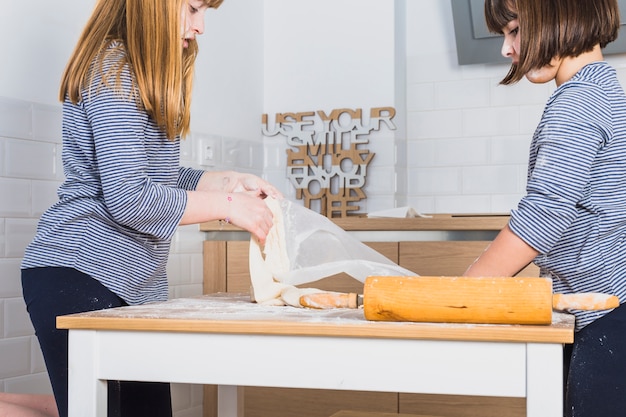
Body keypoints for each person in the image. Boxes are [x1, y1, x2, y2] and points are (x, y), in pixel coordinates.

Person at [20, 0, 282, 416]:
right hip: (80, 275)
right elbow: (130, 197)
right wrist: (228, 206)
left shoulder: (142, 71)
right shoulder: (114, 69)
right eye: (194, 8)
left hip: (131, 288)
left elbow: (153, 178)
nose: (201, 27)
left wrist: (227, 182)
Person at [465, 0, 626, 415]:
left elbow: (543, 214)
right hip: (602, 309)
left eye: (514, 30)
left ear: (558, 17)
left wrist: (462, 293)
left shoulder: (578, 102)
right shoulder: (603, 90)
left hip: (607, 315)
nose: (506, 49)